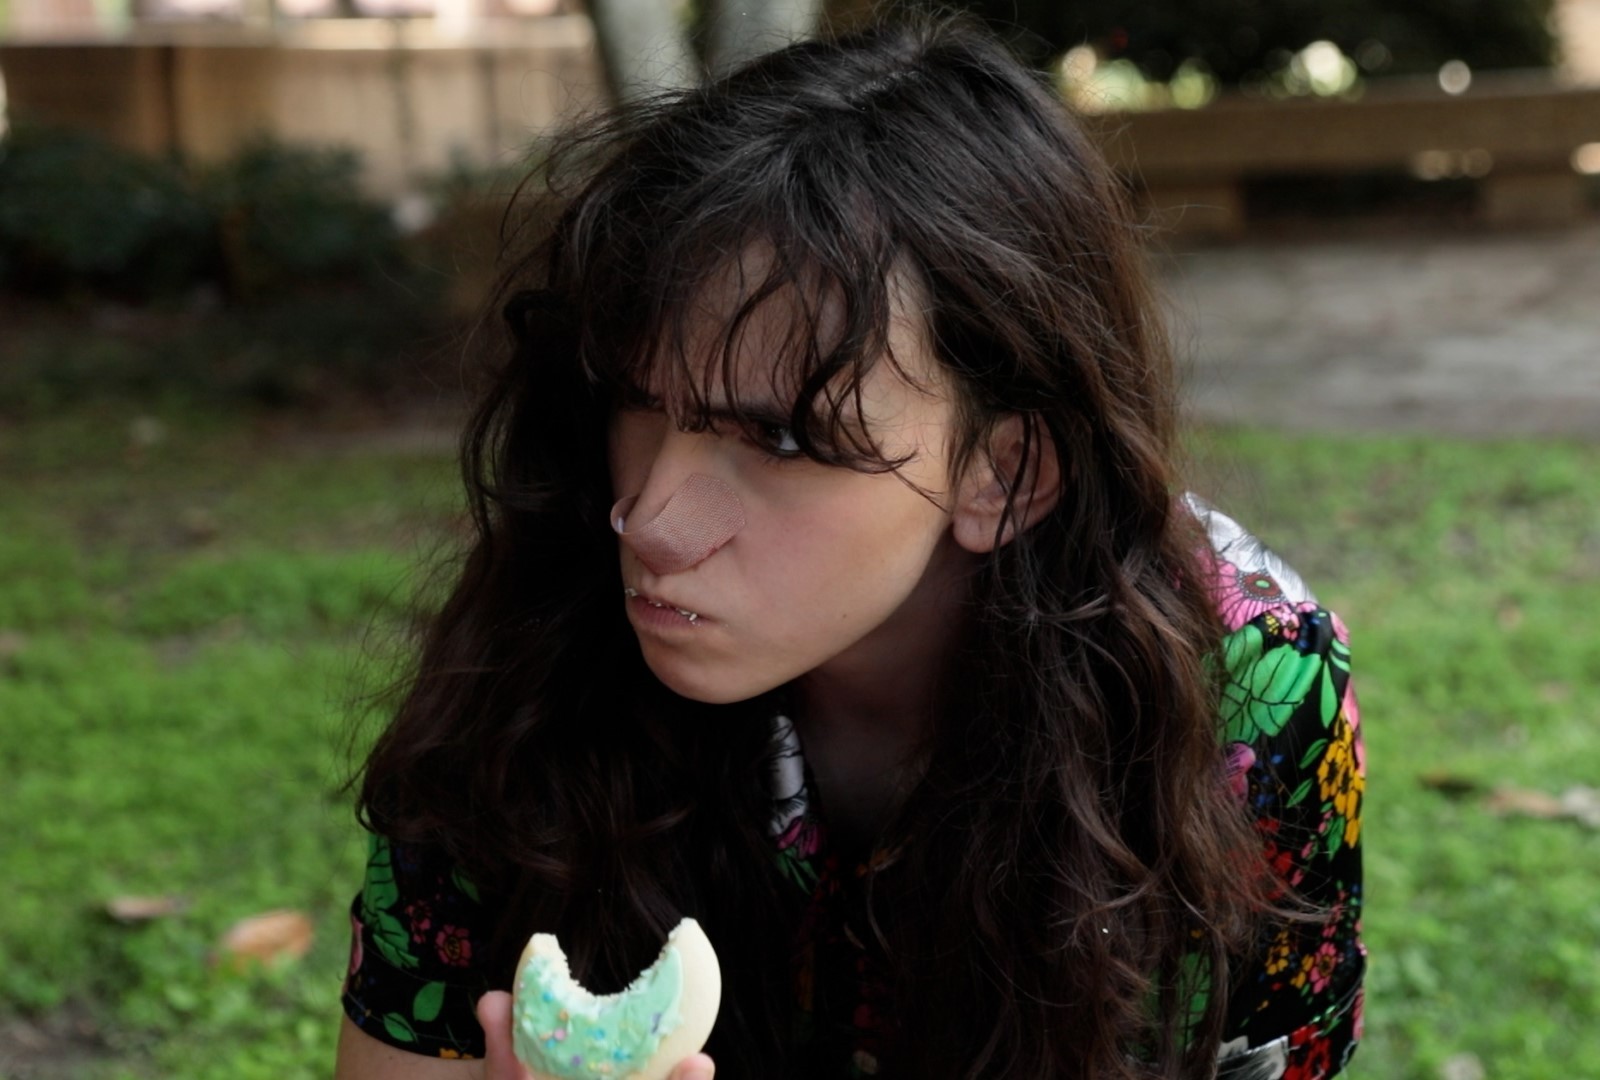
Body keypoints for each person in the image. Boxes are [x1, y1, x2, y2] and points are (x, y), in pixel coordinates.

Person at [334, 18, 1364, 1080]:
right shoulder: (535, 638)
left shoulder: (1245, 687)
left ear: (1005, 472)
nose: (649, 520)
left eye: (783, 439)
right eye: (635, 401)